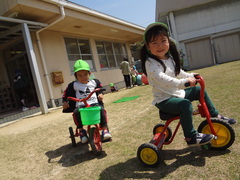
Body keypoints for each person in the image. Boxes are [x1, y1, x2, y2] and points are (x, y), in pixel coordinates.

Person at [140, 22, 236, 147]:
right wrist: (183, 83)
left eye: (163, 41)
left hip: (176, 94)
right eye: (154, 43)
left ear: (168, 41)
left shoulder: (169, 58)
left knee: (198, 91)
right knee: (185, 105)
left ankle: (215, 116)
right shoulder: (150, 63)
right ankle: (191, 137)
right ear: (148, 46)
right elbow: (162, 79)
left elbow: (178, 72)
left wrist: (190, 76)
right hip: (164, 100)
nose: (160, 46)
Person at [62, 59, 112, 143]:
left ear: (89, 73)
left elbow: (100, 89)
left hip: (94, 104)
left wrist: (100, 94)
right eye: (80, 75)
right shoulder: (74, 85)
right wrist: (64, 101)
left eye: (85, 74)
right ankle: (82, 131)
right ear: (76, 76)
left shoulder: (94, 82)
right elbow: (65, 93)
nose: (83, 77)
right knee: (76, 112)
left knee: (101, 110)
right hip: (81, 105)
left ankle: (104, 130)